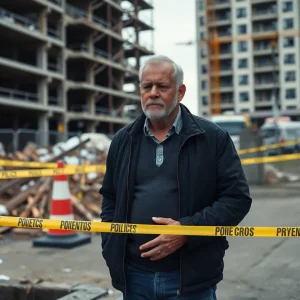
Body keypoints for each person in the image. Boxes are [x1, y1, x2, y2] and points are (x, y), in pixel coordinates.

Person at [100, 55, 252, 299]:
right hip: (134, 278)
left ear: (180, 92)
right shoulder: (123, 140)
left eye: (162, 86)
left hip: (190, 280)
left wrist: (187, 231)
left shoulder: (212, 138)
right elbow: (110, 198)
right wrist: (111, 245)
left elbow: (236, 200)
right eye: (146, 86)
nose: (153, 93)